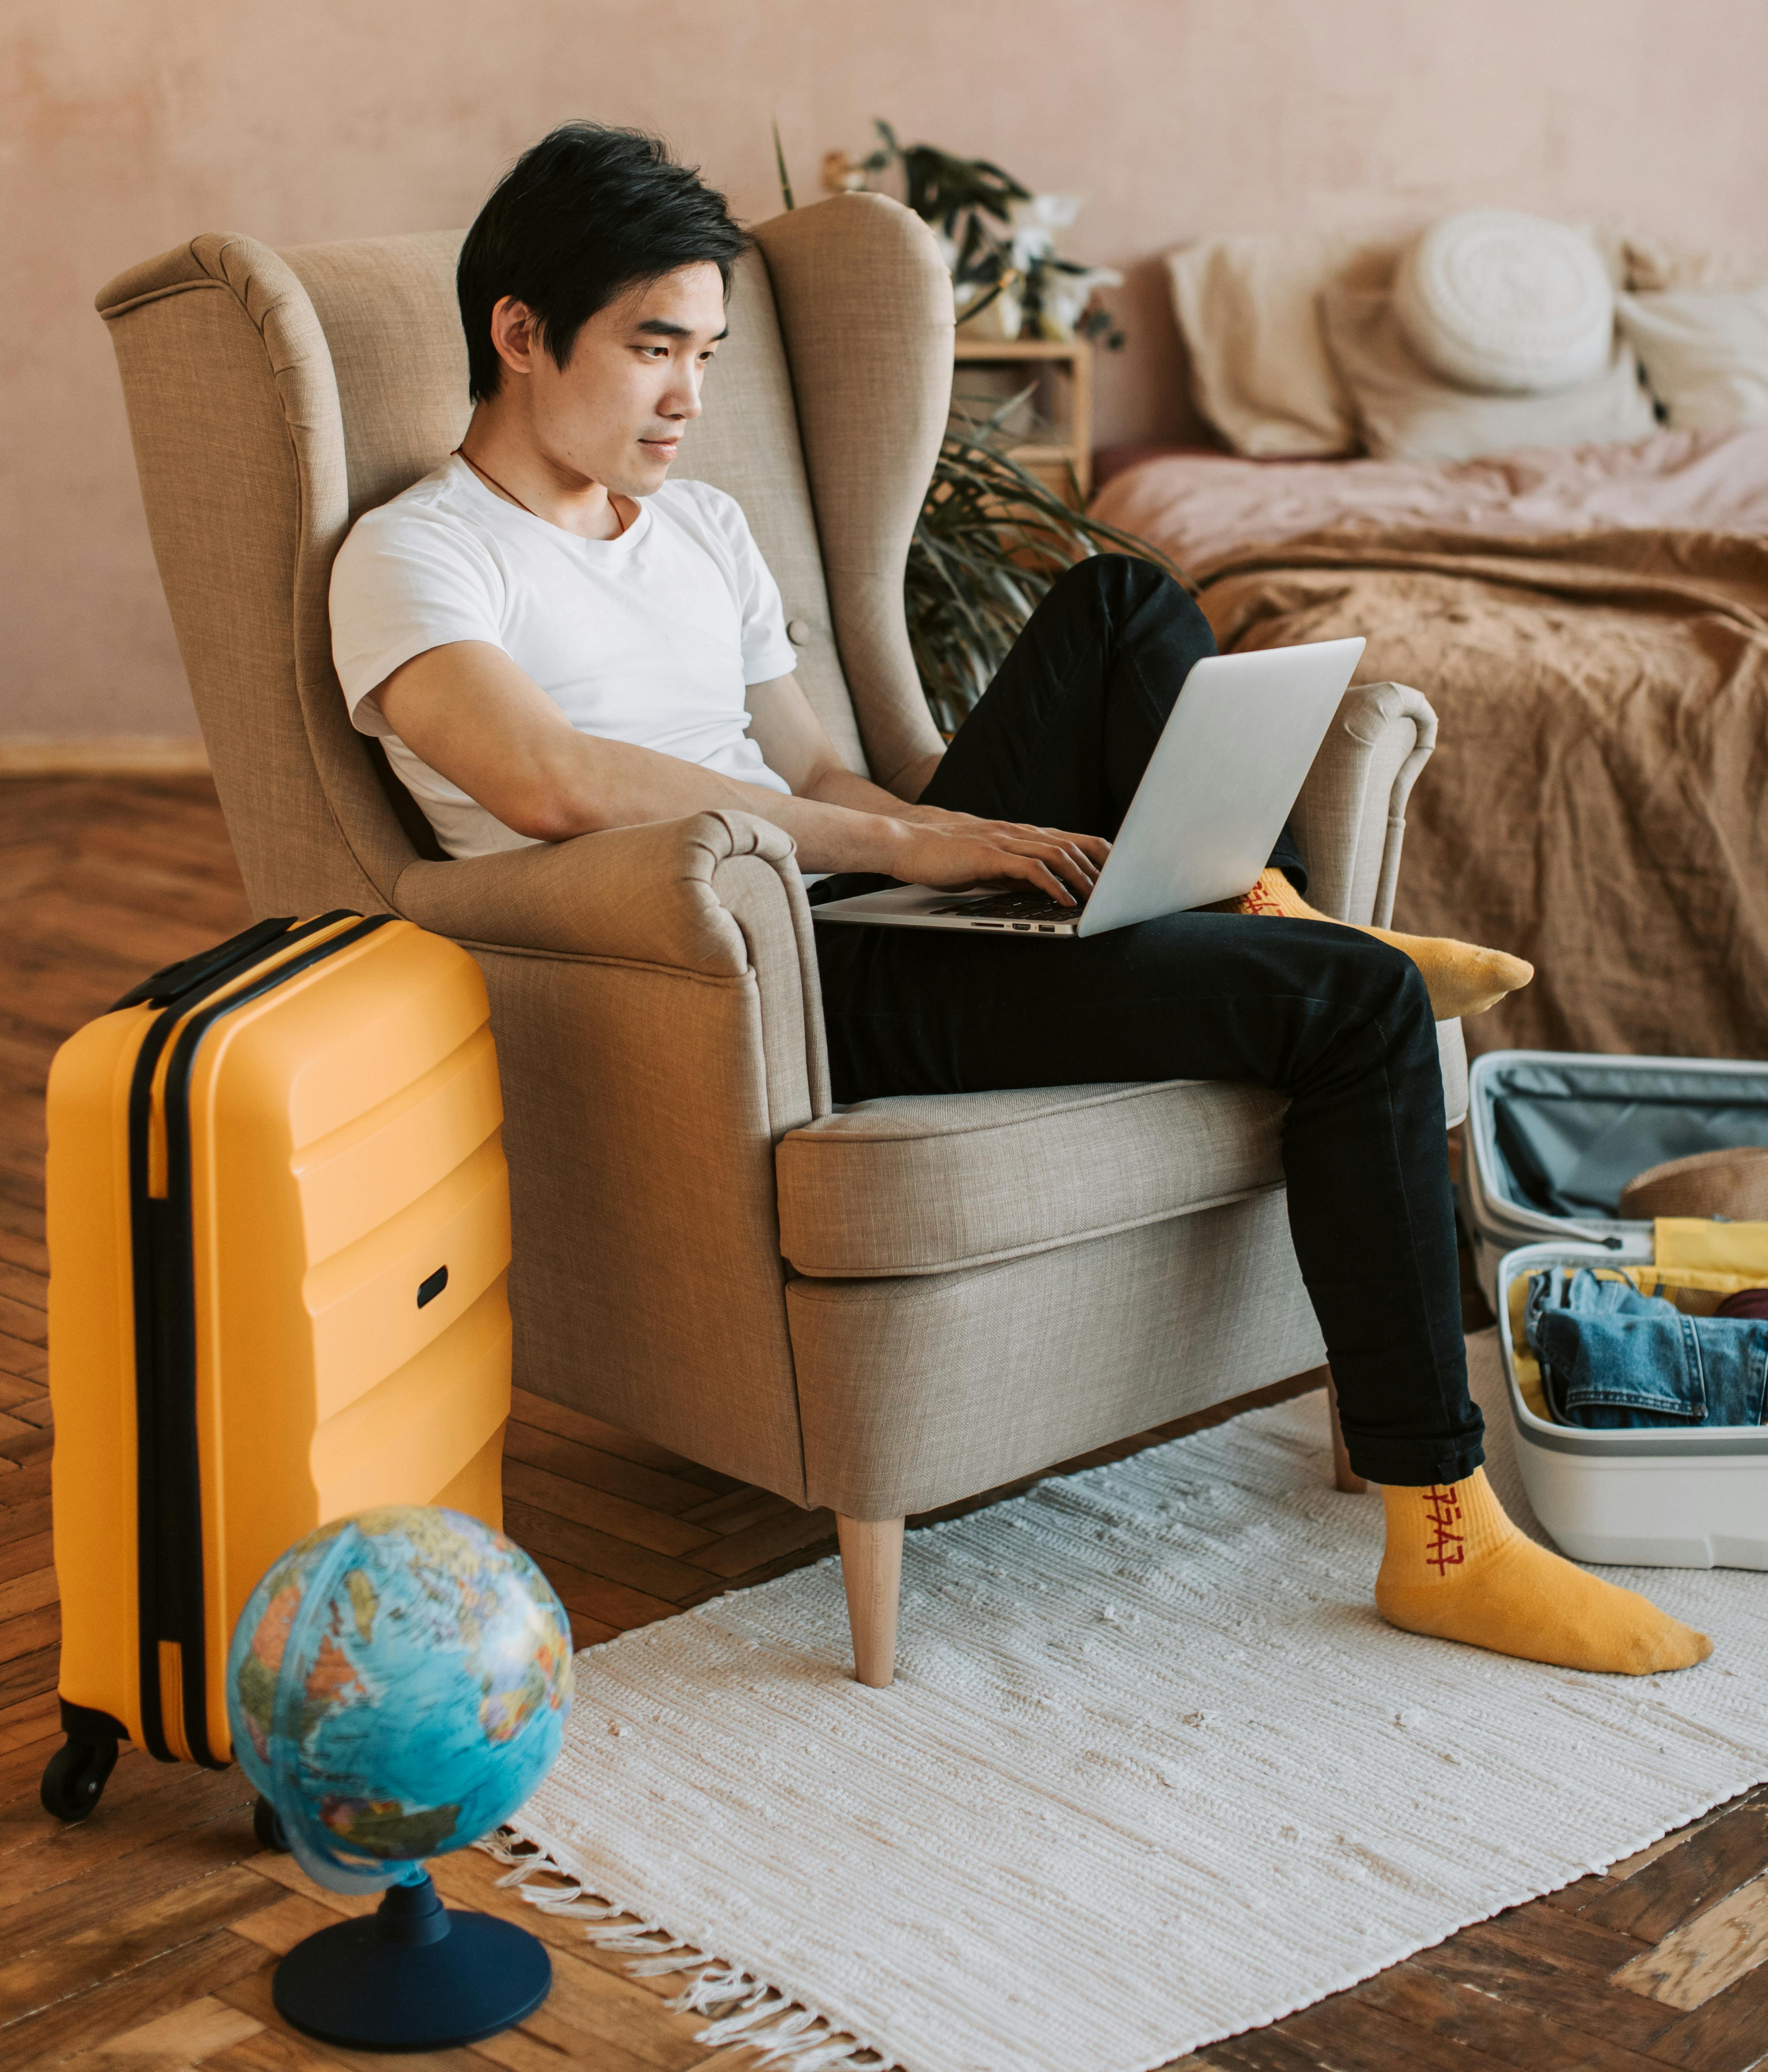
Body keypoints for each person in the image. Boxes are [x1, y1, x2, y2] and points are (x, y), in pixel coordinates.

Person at [330, 123, 1710, 1679]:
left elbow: (824, 772)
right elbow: (550, 780)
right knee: (1358, 1009)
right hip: (757, 979)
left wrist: (939, 829)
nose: (690, 399)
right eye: (655, 348)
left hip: (861, 898)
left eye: (707, 351)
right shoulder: (418, 555)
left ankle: (1271, 903)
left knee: (1118, 596)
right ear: (518, 332)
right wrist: (908, 857)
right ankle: (1442, 1530)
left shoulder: (701, 529)